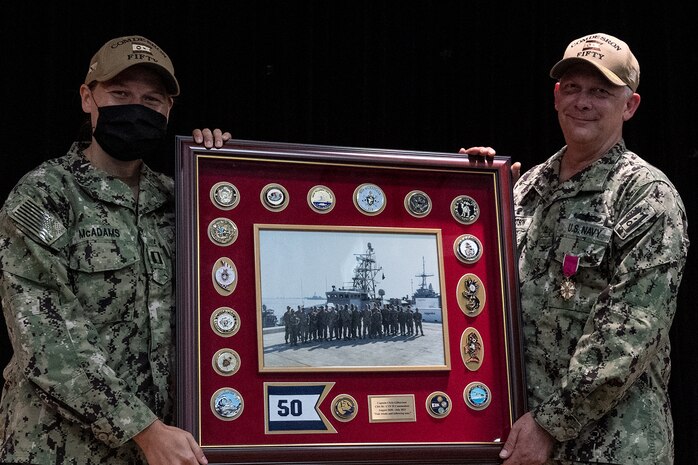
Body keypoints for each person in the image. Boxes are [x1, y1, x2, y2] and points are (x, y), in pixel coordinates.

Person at [0, 35, 230, 465]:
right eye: (120, 93)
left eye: (152, 99)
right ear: (88, 98)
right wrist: (143, 430)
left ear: (168, 110)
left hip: (168, 448)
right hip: (62, 447)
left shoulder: (184, 200)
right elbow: (46, 340)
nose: (137, 108)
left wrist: (221, 170)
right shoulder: (45, 195)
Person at [461, 33, 689, 464]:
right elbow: (473, 292)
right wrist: (462, 193)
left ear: (630, 106)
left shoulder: (646, 195)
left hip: (610, 446)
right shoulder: (522, 190)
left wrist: (550, 425)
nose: (583, 101)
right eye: (573, 88)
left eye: (601, 91)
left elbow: (630, 334)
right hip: (519, 438)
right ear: (556, 96)